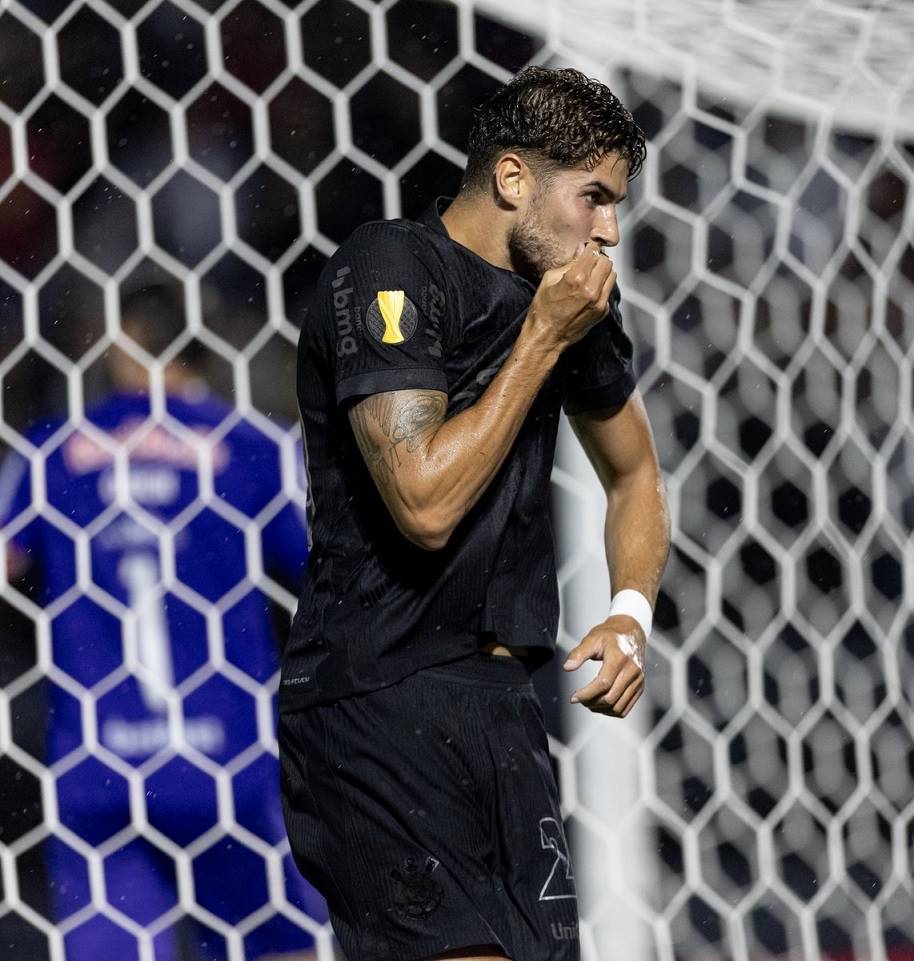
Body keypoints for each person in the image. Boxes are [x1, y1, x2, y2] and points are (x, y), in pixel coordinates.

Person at [279, 66, 671, 961]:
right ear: (511, 179)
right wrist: (541, 339)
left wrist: (630, 612)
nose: (609, 230)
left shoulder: (572, 308)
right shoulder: (391, 268)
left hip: (503, 708)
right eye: (595, 198)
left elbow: (637, 472)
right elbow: (423, 502)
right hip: (377, 695)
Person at [0, 286, 324, 961]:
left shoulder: (51, 450)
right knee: (277, 946)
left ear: (121, 343)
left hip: (98, 763)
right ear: (200, 344)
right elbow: (324, 574)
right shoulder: (251, 445)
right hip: (227, 757)